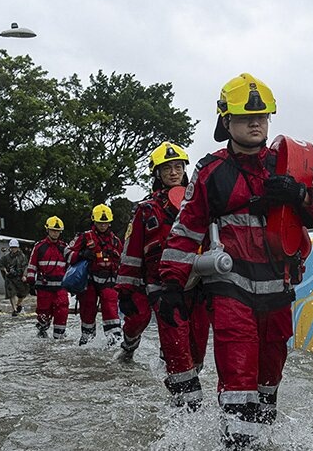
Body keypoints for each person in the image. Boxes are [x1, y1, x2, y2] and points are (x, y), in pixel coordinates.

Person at [158, 73, 313, 447]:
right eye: (246, 117)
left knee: (268, 386)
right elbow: (186, 229)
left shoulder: (285, 166)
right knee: (238, 383)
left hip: (277, 291)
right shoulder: (210, 171)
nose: (256, 123)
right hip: (230, 289)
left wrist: (300, 194)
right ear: (226, 122)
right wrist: (171, 285)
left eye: (263, 117)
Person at [115, 141, 210, 410]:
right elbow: (131, 253)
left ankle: (187, 385)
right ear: (157, 173)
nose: (173, 172)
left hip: (198, 284)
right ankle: (186, 408)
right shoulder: (146, 210)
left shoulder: (200, 205)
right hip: (161, 287)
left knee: (198, 346)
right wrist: (126, 290)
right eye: (166, 168)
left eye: (178, 167)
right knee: (176, 345)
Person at [67, 204, 124, 346]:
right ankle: (87, 339)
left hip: (109, 280)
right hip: (89, 280)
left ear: (110, 222)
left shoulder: (115, 240)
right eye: (100, 222)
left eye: (105, 222)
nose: (103, 225)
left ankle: (114, 341)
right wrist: (81, 254)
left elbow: (123, 260)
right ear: (94, 221)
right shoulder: (85, 237)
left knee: (111, 307)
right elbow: (67, 253)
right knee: (87, 309)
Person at [25, 216, 71, 338]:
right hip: (44, 287)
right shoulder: (39, 247)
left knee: (62, 309)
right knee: (43, 312)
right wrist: (30, 281)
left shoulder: (64, 247)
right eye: (53, 230)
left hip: (60, 287)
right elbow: (32, 264)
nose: (55, 233)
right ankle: (42, 330)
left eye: (58, 231)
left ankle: (59, 336)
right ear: (47, 230)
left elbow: (71, 265)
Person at [0, 239, 29, 317]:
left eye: (15, 247)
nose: (13, 249)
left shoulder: (22, 257)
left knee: (23, 294)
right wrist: (6, 272)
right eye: (12, 247)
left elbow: (26, 266)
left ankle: (18, 304)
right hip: (10, 278)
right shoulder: (6, 257)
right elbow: (1, 265)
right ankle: (14, 310)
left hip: (19, 278)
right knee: (11, 293)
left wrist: (24, 275)